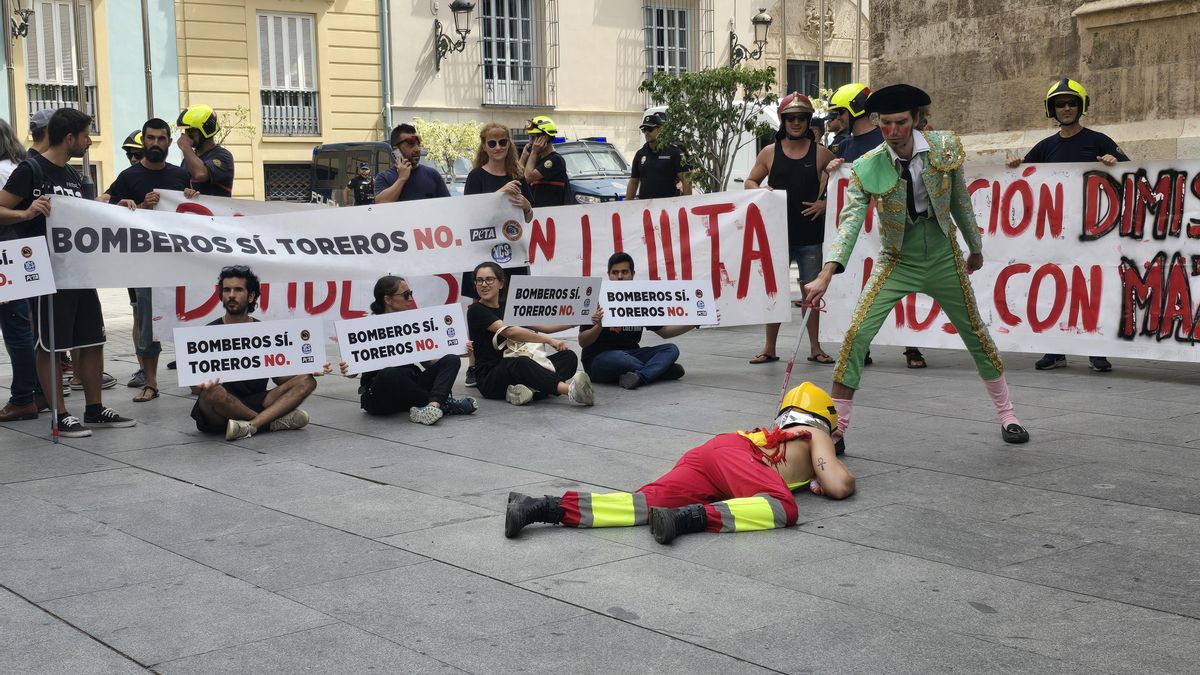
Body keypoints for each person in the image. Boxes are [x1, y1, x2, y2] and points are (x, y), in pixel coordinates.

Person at [804, 84, 1030, 446]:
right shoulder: (868, 165)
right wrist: (826, 272)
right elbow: (850, 221)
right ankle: (838, 428)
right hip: (897, 260)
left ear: (917, 120)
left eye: (901, 123)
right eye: (886, 124)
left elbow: (960, 203)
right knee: (857, 335)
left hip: (943, 255)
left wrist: (975, 248)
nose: (893, 132)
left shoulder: (944, 149)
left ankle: (1008, 415)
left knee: (975, 333)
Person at [505, 382, 855, 543]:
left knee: (641, 504)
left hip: (716, 451)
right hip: (741, 460)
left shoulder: (781, 432)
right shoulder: (813, 432)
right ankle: (689, 518)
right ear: (824, 418)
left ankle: (540, 507)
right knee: (784, 508)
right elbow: (839, 485)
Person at [0, 108, 136, 437]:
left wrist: (113, 210)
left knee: (92, 339)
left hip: (78, 271)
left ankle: (94, 409)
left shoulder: (71, 174)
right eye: (87, 135)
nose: (90, 142)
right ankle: (59, 413)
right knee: (49, 344)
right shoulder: (30, 170)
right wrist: (26, 213)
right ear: (70, 137)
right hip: (46, 272)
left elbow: (81, 217)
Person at [1006, 78, 1127, 374]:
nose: (1067, 108)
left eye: (1072, 102)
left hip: (1093, 234)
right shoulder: (1045, 146)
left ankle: (1096, 348)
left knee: (1092, 289)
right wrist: (1012, 165)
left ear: (1081, 106)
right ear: (1053, 110)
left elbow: (1132, 175)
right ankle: (1055, 349)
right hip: (1057, 235)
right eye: (1060, 104)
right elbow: (1022, 176)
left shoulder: (1100, 141)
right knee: (1056, 290)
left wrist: (1116, 161)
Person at [827, 83, 926, 369]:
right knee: (864, 290)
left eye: (840, 112)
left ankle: (912, 346)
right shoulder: (844, 146)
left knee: (907, 289)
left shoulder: (886, 140)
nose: (838, 118)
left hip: (895, 229)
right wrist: (831, 169)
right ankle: (863, 347)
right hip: (861, 229)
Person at [745, 93, 836, 366]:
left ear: (808, 121)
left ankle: (815, 347)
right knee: (774, 291)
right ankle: (769, 347)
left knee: (812, 292)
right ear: (783, 121)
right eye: (790, 118)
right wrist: (761, 191)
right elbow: (750, 180)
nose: (795, 122)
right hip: (776, 235)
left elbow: (844, 184)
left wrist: (825, 203)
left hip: (810, 234)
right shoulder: (769, 152)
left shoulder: (821, 152)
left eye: (801, 118)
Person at [106, 118, 193, 403]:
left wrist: (192, 198)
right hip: (144, 263)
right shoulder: (129, 177)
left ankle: (196, 377)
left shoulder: (180, 176)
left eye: (162, 138)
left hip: (178, 261)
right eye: (151, 138)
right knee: (147, 322)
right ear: (144, 140)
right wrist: (134, 206)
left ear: (169, 142)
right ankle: (151, 382)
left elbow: (191, 213)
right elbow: (102, 204)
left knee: (188, 319)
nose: (156, 143)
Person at [191, 266, 320, 441]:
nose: (231, 295)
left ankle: (251, 425)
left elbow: (280, 378)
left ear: (251, 296)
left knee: (307, 381)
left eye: (238, 290)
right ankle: (270, 422)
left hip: (257, 400)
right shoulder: (207, 333)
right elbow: (195, 387)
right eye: (227, 290)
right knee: (213, 393)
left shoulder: (264, 332)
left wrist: (308, 368)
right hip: (219, 410)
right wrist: (200, 385)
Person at [338, 275, 478, 425]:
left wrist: (456, 352)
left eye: (411, 293)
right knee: (389, 373)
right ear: (388, 300)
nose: (410, 299)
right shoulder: (366, 326)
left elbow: (428, 363)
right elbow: (353, 371)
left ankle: (433, 406)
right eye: (406, 295)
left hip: (411, 385)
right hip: (381, 395)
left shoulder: (412, 324)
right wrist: (348, 368)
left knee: (451, 359)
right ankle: (444, 404)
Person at [462, 122, 536, 388]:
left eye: (503, 142)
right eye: (492, 143)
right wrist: (499, 194)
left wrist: (527, 205)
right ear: (484, 146)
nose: (497, 148)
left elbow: (528, 215)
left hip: (513, 254)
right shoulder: (476, 176)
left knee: (516, 304)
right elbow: (470, 214)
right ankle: (474, 365)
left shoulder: (517, 173)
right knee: (480, 308)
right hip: (483, 253)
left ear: (509, 144)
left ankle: (522, 355)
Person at [465, 261, 594, 406]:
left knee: (568, 357)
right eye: (479, 280)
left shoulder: (508, 307)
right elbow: (511, 332)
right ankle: (571, 391)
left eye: (489, 279)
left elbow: (543, 326)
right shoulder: (476, 310)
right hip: (491, 378)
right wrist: (549, 340)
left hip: (519, 367)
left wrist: (580, 319)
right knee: (522, 363)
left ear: (501, 283)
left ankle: (526, 391)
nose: (484, 284)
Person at [578, 252, 693, 389]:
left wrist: (695, 322)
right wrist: (599, 326)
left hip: (633, 354)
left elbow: (665, 332)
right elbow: (583, 342)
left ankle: (641, 376)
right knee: (620, 358)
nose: (620, 277)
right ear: (609, 275)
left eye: (624, 272)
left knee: (671, 349)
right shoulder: (597, 299)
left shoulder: (640, 299)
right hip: (599, 360)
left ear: (632, 274)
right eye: (615, 272)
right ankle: (659, 371)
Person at [0, 117, 47, 422]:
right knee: (24, 329)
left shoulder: (5, 170)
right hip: (19, 254)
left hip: (7, 256)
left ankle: (24, 397)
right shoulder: (16, 166)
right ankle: (35, 392)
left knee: (18, 329)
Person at [373, 123, 449, 203]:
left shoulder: (432, 175)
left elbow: (447, 205)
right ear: (396, 150)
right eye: (410, 144)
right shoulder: (384, 178)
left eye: (418, 144)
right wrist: (401, 179)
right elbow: (380, 204)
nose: (417, 149)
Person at [625, 111, 691, 200]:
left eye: (650, 129)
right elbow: (633, 181)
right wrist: (627, 205)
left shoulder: (674, 152)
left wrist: (686, 203)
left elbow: (685, 179)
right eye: (644, 130)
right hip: (646, 207)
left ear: (660, 129)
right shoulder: (640, 154)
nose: (647, 133)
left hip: (668, 206)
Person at [176, 104, 234, 197]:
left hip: (216, 211)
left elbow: (200, 174)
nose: (186, 135)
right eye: (185, 131)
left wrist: (186, 147)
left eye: (190, 131)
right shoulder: (188, 159)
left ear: (206, 130)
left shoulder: (224, 156)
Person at [520, 116, 570, 207]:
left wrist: (534, 153)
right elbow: (517, 177)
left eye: (533, 137)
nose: (530, 142)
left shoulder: (555, 160)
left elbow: (528, 177)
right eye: (529, 137)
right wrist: (524, 156)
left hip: (551, 215)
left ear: (545, 138)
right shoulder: (535, 159)